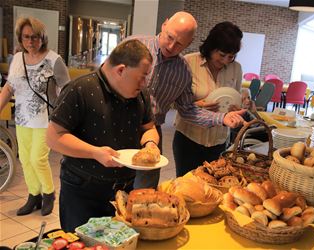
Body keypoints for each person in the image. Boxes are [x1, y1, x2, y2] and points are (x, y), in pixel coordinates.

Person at [46, 39, 159, 232]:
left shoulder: (140, 94)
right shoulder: (80, 89)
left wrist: (150, 143)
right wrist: (95, 152)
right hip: (83, 190)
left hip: (123, 191)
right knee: (81, 243)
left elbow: (149, 127)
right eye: (142, 77)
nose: (144, 83)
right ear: (121, 70)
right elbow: (53, 138)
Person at [126, 12, 245, 188]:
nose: (172, 46)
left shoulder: (182, 69)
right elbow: (106, 77)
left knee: (145, 186)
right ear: (164, 25)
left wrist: (224, 117)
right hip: (122, 125)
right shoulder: (135, 45)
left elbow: (186, 108)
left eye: (180, 43)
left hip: (153, 129)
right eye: (170, 37)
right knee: (112, 178)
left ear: (188, 43)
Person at [0, 17, 70, 216]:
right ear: (20, 38)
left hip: (46, 120)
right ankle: (34, 196)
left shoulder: (54, 60)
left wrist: (66, 119)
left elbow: (67, 91)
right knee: (25, 160)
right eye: (26, 37)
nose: (31, 41)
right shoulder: (17, 59)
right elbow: (9, 87)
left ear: (43, 37)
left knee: (38, 159)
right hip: (22, 119)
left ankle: (48, 193)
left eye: (35, 37)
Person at [173, 21, 245, 177]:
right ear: (211, 47)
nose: (226, 60)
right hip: (189, 138)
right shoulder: (188, 62)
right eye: (222, 55)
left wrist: (236, 108)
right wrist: (195, 105)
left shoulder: (236, 68)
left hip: (218, 141)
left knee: (213, 187)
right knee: (186, 186)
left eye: (231, 57)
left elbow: (236, 98)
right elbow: (175, 101)